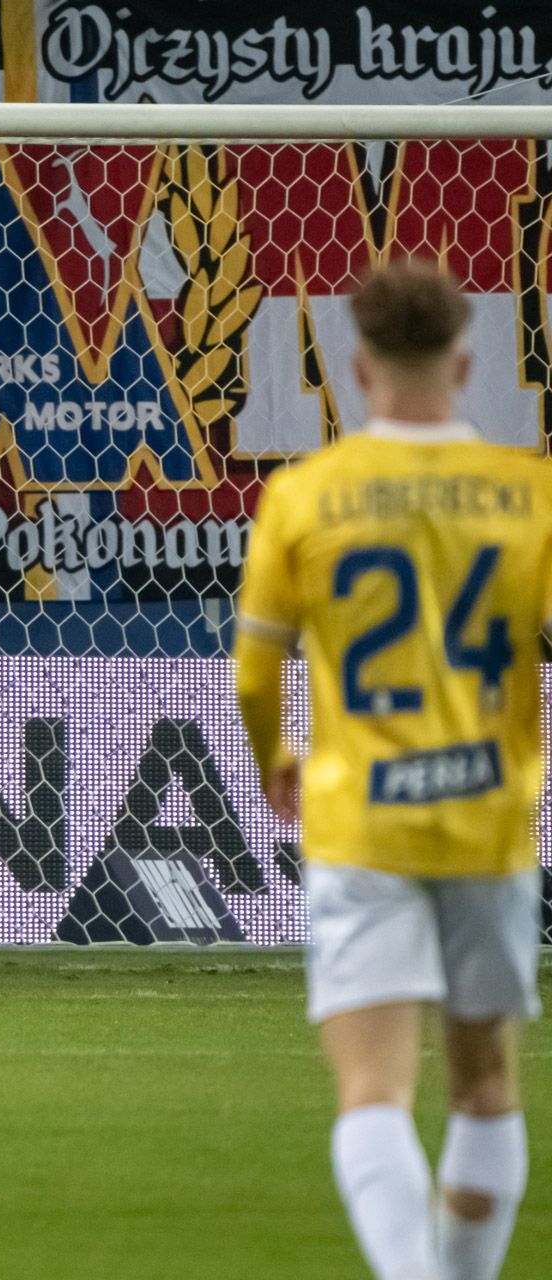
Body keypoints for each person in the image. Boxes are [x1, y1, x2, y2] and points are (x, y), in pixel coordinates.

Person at [233, 259, 540, 1280]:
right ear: (466, 363)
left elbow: (254, 671)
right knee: (485, 1084)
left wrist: (275, 754)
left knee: (372, 1092)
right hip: (487, 820)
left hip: (361, 819)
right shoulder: (529, 495)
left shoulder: (304, 495)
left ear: (357, 368)